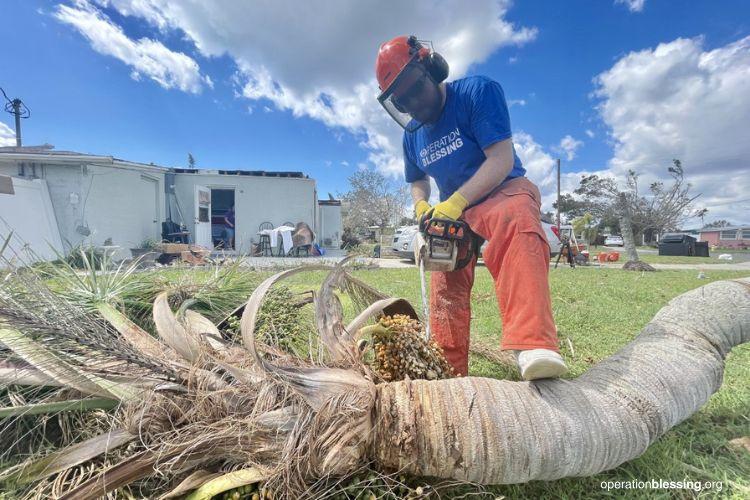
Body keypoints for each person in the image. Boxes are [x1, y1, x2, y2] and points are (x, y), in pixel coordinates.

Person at [375, 35, 567, 380]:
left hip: (502, 189)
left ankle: (533, 344)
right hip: (455, 209)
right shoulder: (412, 135)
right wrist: (422, 205)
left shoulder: (477, 92)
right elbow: (417, 180)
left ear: (432, 68)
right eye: (403, 102)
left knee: (516, 222)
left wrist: (458, 200)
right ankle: (448, 370)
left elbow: (501, 159)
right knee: (444, 276)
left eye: (416, 89)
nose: (415, 104)